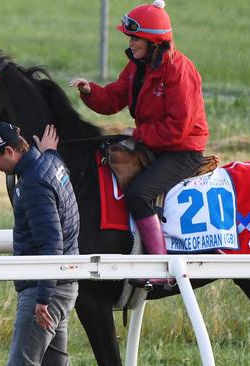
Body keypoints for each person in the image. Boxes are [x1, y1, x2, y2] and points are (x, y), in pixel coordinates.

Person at [69, 1, 209, 269]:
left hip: (182, 152)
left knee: (139, 194)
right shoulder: (137, 66)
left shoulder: (180, 70)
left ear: (154, 42)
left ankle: (158, 266)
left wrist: (138, 133)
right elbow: (113, 99)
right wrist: (90, 91)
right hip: (153, 144)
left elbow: (177, 129)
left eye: (136, 38)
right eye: (130, 37)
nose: (131, 43)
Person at [0, 122, 79, 366]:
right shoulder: (51, 162)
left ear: (9, 152)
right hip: (63, 283)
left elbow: (52, 243)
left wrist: (43, 298)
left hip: (44, 289)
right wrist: (50, 152)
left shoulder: (32, 184)